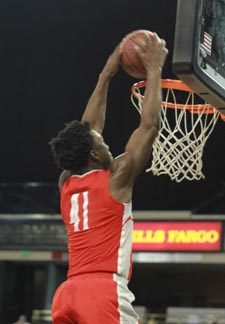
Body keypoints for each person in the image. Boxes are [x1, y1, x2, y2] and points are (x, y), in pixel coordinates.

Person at [49, 32, 168, 324]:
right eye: (102, 144)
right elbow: (149, 127)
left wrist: (106, 74)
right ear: (94, 155)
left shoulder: (67, 182)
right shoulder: (116, 178)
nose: (106, 144)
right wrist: (154, 68)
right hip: (101, 292)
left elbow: (88, 128)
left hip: (67, 293)